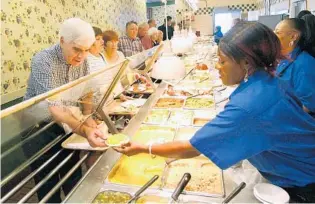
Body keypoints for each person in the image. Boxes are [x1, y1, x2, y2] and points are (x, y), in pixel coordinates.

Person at [115, 22, 315, 203]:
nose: (217, 67)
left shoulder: (251, 104)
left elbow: (192, 148)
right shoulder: (268, 81)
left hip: (302, 182)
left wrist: (143, 148)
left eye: (222, 61)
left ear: (246, 62)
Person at [23, 18, 105, 203]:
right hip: (38, 129)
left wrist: (88, 116)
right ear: (62, 41)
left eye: (86, 50)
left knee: (73, 177)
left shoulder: (82, 59)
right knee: (48, 186)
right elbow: (55, 109)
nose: (81, 56)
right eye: (77, 49)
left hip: (66, 125)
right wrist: (85, 129)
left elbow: (87, 92)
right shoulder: (43, 60)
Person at [274, 18, 315, 116]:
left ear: (293, 36)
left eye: (277, 32)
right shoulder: (286, 58)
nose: (273, 36)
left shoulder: (304, 63)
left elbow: (310, 105)